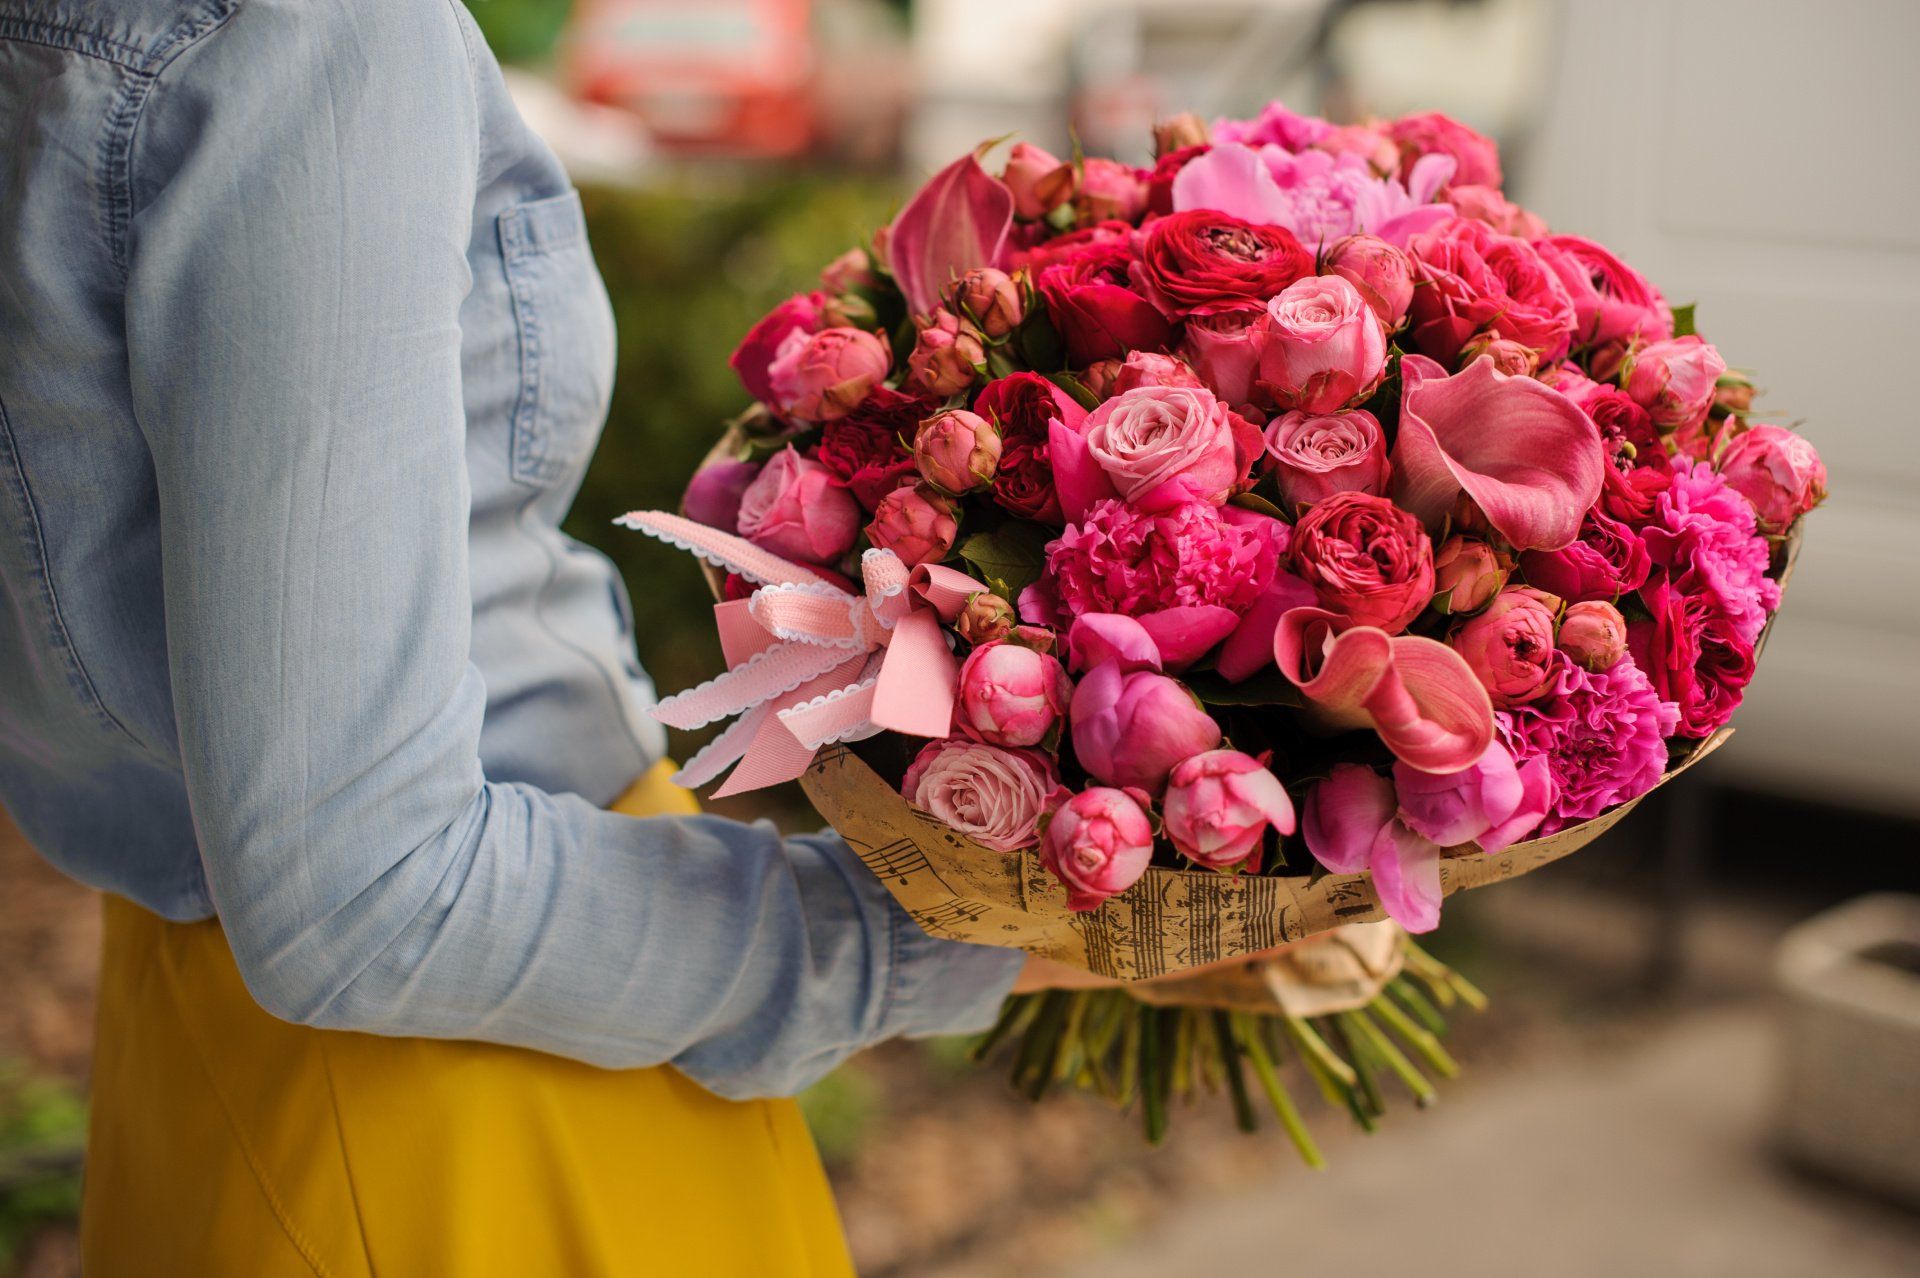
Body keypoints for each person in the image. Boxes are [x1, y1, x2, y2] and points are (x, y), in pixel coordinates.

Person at [0, 1, 1116, 1271]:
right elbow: (369, 898)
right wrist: (953, 935)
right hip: (480, 1087)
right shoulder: (311, 35)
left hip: (230, 1041)